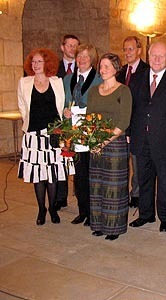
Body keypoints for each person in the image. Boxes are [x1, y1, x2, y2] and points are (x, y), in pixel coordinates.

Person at [129, 42, 166, 233]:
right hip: (141, 139)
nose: (156, 59)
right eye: (153, 55)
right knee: (144, 180)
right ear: (148, 55)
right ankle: (145, 215)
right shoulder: (137, 79)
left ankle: (165, 217)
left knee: (165, 182)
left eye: (161, 56)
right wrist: (130, 133)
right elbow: (132, 109)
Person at [17, 48, 75, 225]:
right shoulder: (24, 82)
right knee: (38, 174)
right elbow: (22, 107)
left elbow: (63, 104)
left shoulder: (57, 82)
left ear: (47, 63)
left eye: (39, 62)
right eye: (33, 62)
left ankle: (52, 208)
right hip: (33, 136)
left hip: (53, 135)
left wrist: (66, 114)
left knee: (53, 174)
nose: (36, 65)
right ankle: (41, 209)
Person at [86, 53, 132, 241]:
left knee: (114, 187)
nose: (103, 70)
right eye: (101, 66)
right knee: (96, 185)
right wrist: (92, 139)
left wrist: (104, 140)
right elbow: (88, 117)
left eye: (107, 66)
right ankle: (98, 224)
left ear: (116, 68)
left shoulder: (124, 91)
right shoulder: (94, 91)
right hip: (95, 142)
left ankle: (114, 227)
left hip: (114, 143)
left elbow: (124, 121)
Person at [63, 44, 102, 226]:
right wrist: (65, 110)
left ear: (92, 59)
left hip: (90, 131)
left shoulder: (99, 79)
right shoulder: (68, 79)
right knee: (78, 174)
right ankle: (82, 211)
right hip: (73, 132)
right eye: (79, 56)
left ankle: (93, 213)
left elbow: (102, 106)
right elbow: (65, 101)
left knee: (91, 174)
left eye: (86, 56)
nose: (82, 59)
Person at [116, 36, 149, 208]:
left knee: (138, 164)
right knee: (121, 163)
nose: (127, 52)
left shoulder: (147, 71)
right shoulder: (120, 72)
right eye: (125, 49)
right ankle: (121, 193)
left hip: (137, 126)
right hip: (120, 126)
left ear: (139, 50)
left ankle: (136, 194)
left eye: (131, 49)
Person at [55, 34, 80, 211]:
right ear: (62, 47)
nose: (72, 48)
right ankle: (60, 197)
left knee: (78, 162)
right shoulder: (53, 69)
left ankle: (80, 198)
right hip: (59, 122)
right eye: (69, 45)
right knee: (60, 160)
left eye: (75, 46)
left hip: (78, 122)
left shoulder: (84, 68)